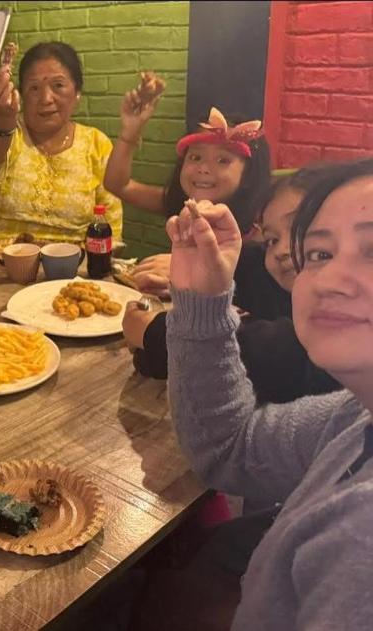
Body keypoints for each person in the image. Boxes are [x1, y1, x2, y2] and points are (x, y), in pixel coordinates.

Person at [164, 158, 373, 629]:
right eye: (318, 253)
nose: (331, 279)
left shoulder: (363, 539)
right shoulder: (351, 417)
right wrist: (202, 300)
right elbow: (230, 447)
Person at [124, 166, 339, 405]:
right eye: (272, 240)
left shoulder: (344, 334)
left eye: (302, 227)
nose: (280, 250)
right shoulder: (275, 276)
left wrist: (152, 332)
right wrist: (202, 270)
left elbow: (264, 356)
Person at [106, 83, 271, 296]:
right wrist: (130, 131)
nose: (203, 168)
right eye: (195, 157)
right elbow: (118, 185)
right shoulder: (181, 204)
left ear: (248, 174)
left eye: (222, 160)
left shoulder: (261, 229)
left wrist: (188, 269)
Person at [0, 41, 122, 251]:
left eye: (58, 85)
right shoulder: (7, 132)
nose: (45, 98)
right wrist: (3, 118)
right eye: (34, 88)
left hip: (70, 270)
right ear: (22, 94)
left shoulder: (97, 144)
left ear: (77, 92)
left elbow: (110, 227)